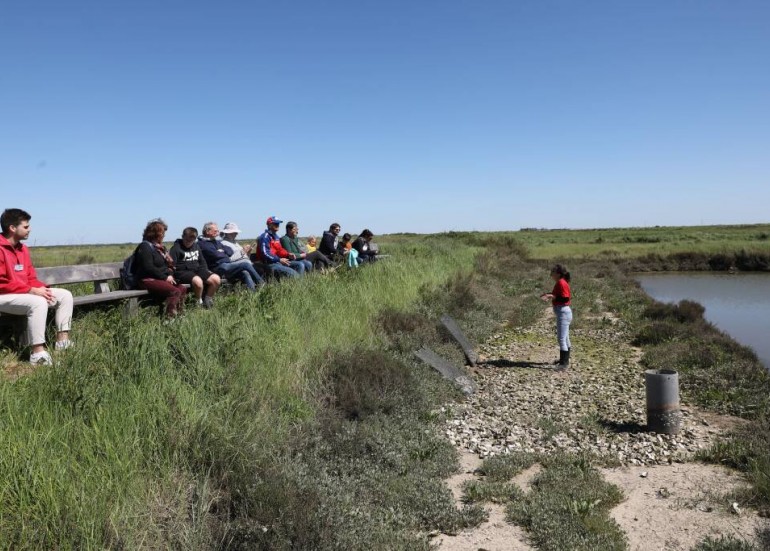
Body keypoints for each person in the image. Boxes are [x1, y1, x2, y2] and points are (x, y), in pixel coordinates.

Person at [0, 208, 73, 365]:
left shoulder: (23, 249)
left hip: (22, 294)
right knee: (37, 302)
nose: (29, 229)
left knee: (64, 295)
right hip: (3, 295)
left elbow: (31, 277)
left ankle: (62, 342)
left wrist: (43, 289)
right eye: (26, 226)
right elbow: (1, 283)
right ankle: (38, 353)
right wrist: (31, 290)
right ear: (12, 228)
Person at [134, 218, 188, 319]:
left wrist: (170, 274)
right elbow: (148, 267)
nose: (164, 235)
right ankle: (169, 318)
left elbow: (167, 266)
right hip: (147, 279)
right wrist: (164, 277)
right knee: (175, 291)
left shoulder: (160, 248)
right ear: (155, 233)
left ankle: (180, 314)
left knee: (182, 288)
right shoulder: (145, 247)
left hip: (160, 278)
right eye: (162, 232)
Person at [198, 221, 264, 290]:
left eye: (217, 230)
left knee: (245, 273)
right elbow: (216, 255)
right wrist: (223, 253)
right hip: (217, 268)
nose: (217, 231)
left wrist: (221, 252)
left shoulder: (217, 242)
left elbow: (230, 251)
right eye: (215, 230)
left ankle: (253, 294)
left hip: (226, 266)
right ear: (207, 231)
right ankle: (262, 284)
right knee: (245, 264)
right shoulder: (202, 244)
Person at [169, 227, 221, 308]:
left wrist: (206, 270)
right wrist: (170, 274)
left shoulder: (196, 246)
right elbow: (171, 264)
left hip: (197, 269)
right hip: (182, 271)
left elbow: (202, 261)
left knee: (216, 279)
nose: (188, 242)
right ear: (182, 236)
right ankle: (198, 301)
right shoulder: (176, 248)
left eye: (190, 240)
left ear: (194, 239)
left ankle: (208, 299)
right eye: (186, 239)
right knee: (198, 281)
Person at [540, 264, 572, 369]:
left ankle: (563, 364)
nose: (551, 275)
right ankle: (565, 360)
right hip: (564, 312)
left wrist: (551, 296)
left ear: (558, 274)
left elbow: (565, 298)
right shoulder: (561, 282)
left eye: (552, 273)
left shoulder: (561, 283)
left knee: (561, 338)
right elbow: (560, 296)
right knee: (566, 337)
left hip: (563, 312)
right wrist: (550, 295)